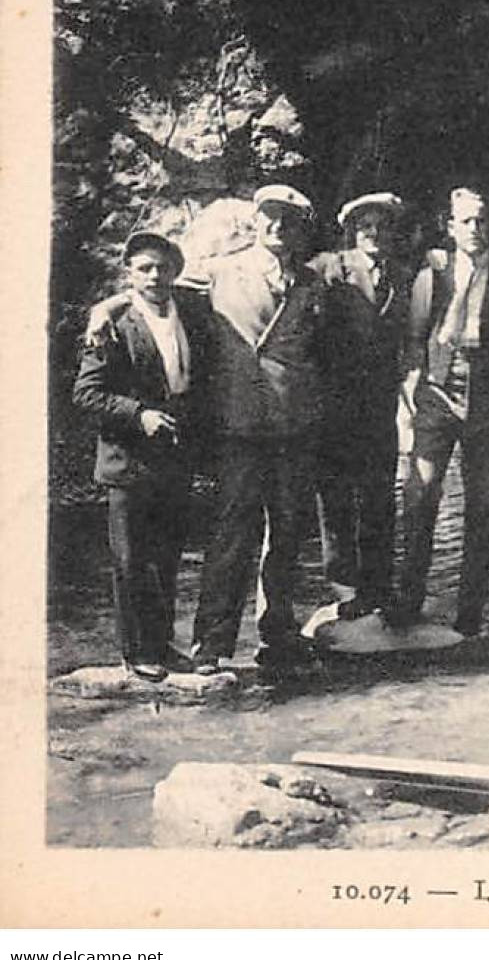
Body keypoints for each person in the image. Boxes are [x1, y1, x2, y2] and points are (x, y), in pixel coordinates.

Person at [87, 184, 336, 675]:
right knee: (233, 536)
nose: (277, 227)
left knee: (286, 535)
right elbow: (156, 288)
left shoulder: (312, 284)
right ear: (255, 221)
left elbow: (322, 353)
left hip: (293, 425)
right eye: (269, 217)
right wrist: (107, 307)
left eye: (288, 220)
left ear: (301, 227)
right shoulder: (222, 271)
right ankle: (212, 645)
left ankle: (278, 633)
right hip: (239, 424)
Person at [72, 233, 211, 681]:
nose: (155, 276)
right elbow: (86, 393)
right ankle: (136, 653)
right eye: (144, 268)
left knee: (167, 556)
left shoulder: (187, 308)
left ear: (175, 270)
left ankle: (162, 645)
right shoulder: (111, 324)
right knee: (132, 560)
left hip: (175, 454)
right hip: (128, 457)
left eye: (163, 267)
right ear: (128, 273)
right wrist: (139, 414)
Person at [394, 186, 489, 637]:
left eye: (482, 220)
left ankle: (470, 612)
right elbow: (415, 336)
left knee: (482, 506)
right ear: (450, 227)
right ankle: (408, 602)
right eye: (466, 221)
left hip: (488, 400)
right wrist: (413, 391)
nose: (475, 229)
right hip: (438, 393)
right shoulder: (431, 275)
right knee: (420, 494)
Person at [307, 192, 415, 621]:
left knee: (378, 498)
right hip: (334, 406)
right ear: (351, 230)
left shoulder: (403, 276)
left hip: (380, 407)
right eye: (365, 225)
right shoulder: (328, 268)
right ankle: (345, 589)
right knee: (334, 499)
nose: (374, 233)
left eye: (382, 225)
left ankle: (378, 587)